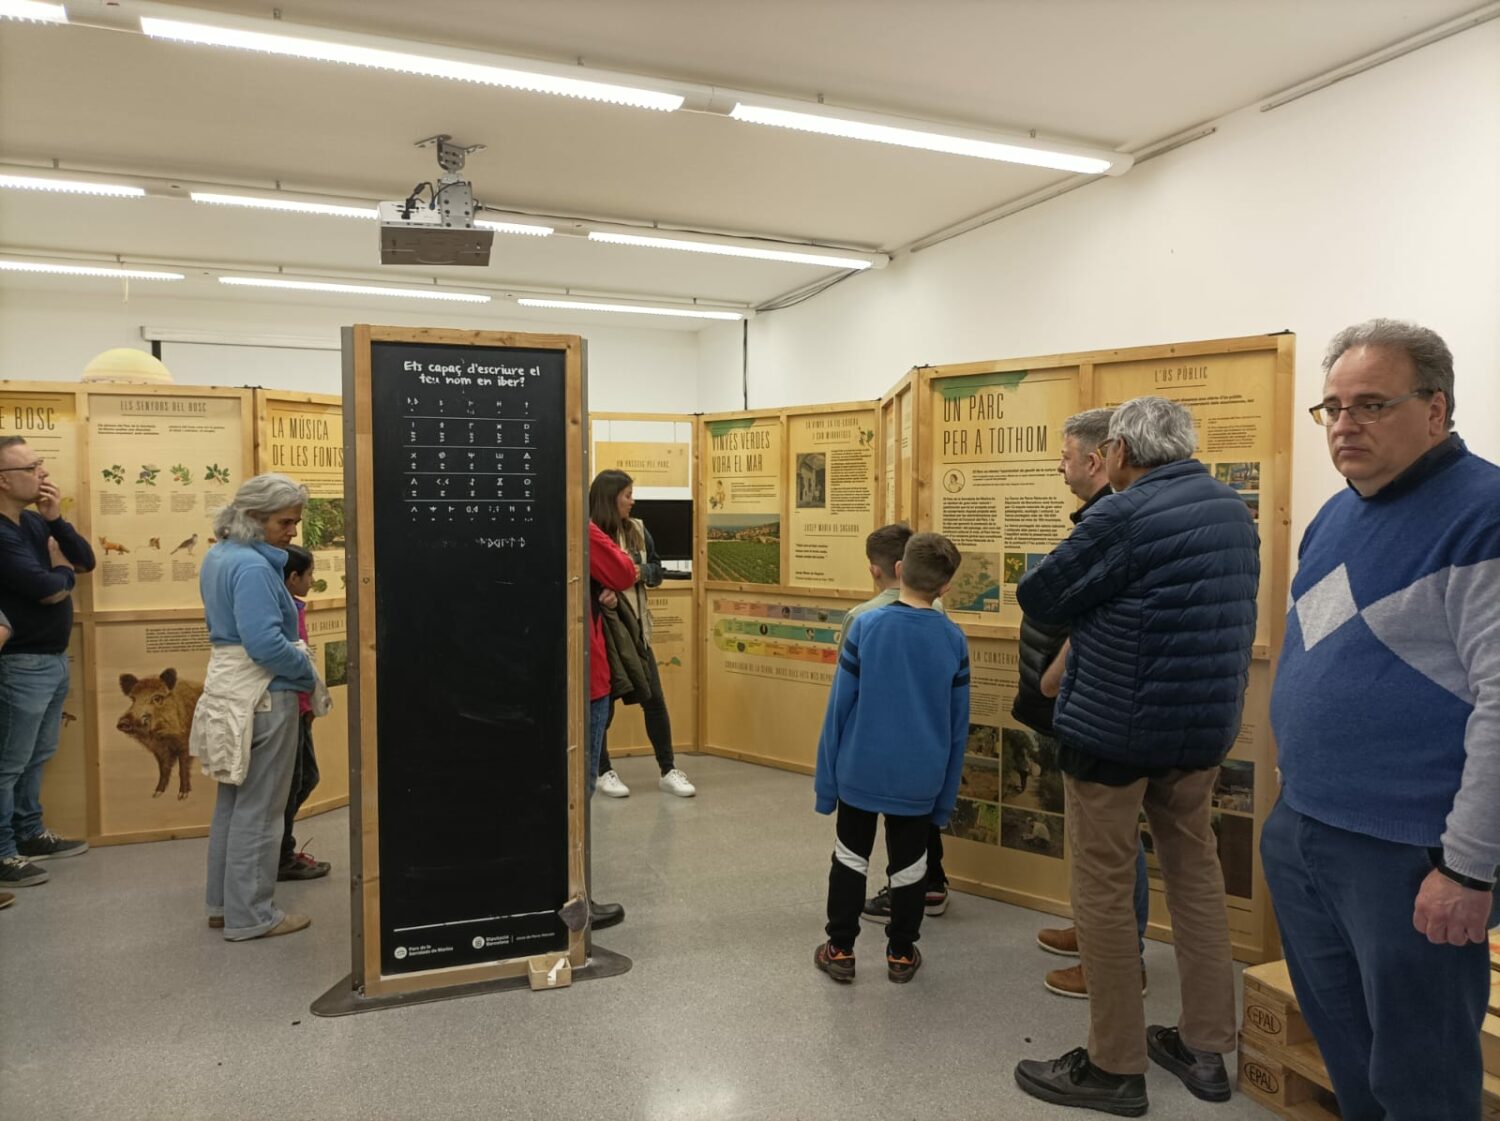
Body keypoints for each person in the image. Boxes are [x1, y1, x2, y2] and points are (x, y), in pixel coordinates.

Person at [1264, 320, 1500, 1121]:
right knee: (1351, 1064)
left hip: (1409, 855)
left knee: (1422, 1082)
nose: (1344, 424)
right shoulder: (1337, 514)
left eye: (1370, 404)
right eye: (1331, 407)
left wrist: (1468, 869)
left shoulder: (1483, 513)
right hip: (1306, 830)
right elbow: (1328, 656)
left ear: (1435, 409)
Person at [1013, 397, 1258, 1115]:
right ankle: (1207, 1048)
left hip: (1114, 729)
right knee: (1196, 877)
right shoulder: (1230, 508)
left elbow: (1040, 594)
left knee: (1103, 888)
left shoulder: (1122, 514)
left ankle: (1114, 1065)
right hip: (1201, 728)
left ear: (1118, 452)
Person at [1015, 407, 1151, 1000]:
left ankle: (1118, 959)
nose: (1060, 467)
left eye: (1066, 457)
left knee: (1110, 841)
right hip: (1079, 702)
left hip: (1092, 703)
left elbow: (1096, 615)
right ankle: (1096, 934)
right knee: (1095, 835)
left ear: (1098, 459)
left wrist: (1052, 678)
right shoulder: (1102, 517)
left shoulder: (1113, 523)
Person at [813, 531, 969, 985]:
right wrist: (944, 801)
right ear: (945, 587)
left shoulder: (866, 627)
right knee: (911, 866)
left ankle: (840, 949)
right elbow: (957, 729)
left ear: (898, 570)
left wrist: (826, 786)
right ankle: (901, 952)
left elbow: (838, 709)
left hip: (860, 771)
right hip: (920, 779)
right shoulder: (953, 640)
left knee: (849, 858)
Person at [197, 473, 318, 940]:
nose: (292, 531)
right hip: (266, 694)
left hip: (233, 693)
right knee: (262, 809)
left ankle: (223, 905)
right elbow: (265, 644)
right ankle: (251, 915)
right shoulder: (252, 567)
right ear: (252, 516)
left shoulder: (220, 555)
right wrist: (305, 669)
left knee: (233, 803)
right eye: (284, 522)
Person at [846, 522, 952, 923]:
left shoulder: (862, 619)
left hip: (872, 748)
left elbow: (846, 690)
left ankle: (887, 905)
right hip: (924, 746)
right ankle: (930, 885)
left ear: (877, 570)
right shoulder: (938, 614)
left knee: (859, 835)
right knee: (916, 826)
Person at [0, 437, 94, 890]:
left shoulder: (35, 522)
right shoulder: (2, 534)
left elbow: (85, 561)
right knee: (8, 763)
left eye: (39, 463)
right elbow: (47, 588)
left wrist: (56, 521)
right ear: (3, 480)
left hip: (51, 659)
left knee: (37, 755)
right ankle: (3, 853)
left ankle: (29, 832)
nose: (43, 473)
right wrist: (62, 572)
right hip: (20, 664)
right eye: (31, 467)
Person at [588, 470, 695, 799]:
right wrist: (602, 591)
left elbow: (656, 571)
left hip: (636, 630)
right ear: (610, 498)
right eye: (627, 495)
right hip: (606, 634)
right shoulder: (587, 533)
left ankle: (668, 769)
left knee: (654, 701)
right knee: (603, 708)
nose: (632, 502)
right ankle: (602, 770)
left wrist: (634, 573)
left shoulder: (637, 530)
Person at [585, 519, 639, 930]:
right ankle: (573, 898)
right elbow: (623, 571)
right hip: (585, 678)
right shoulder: (578, 526)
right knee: (576, 793)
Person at [275, 544, 329, 882]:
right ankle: (280, 855)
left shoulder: (293, 606)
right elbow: (296, 662)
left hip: (300, 707)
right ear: (293, 577)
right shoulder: (286, 612)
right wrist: (305, 705)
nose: (312, 581)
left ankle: (280, 849)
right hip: (291, 707)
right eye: (309, 574)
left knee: (305, 778)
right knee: (296, 782)